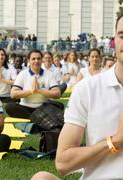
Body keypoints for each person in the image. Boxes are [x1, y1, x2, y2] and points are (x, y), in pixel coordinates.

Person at [32, 13, 123, 179]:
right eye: (122, 35)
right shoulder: (88, 88)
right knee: (41, 178)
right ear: (114, 41)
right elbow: (63, 163)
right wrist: (114, 141)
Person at [5, 49, 61, 119]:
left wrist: (39, 91)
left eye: (38, 59)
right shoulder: (23, 74)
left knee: (59, 105)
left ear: (42, 60)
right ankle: (38, 118)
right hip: (26, 107)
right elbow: (13, 94)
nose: (36, 61)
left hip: (43, 107)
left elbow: (57, 93)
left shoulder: (49, 74)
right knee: (10, 107)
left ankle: (35, 118)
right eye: (33, 59)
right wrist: (31, 91)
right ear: (29, 61)